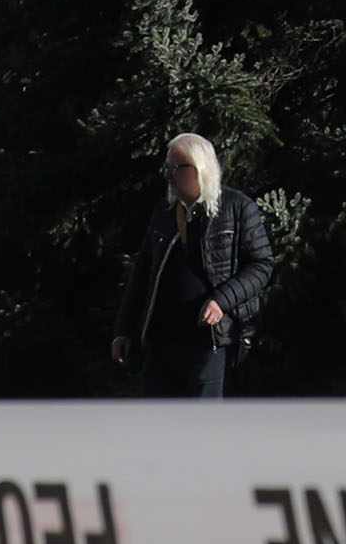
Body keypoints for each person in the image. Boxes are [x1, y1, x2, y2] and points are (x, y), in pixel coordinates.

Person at [110, 133, 270, 399]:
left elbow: (261, 265)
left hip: (209, 343)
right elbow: (141, 273)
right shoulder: (164, 212)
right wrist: (124, 330)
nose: (169, 175)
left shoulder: (237, 208)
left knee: (202, 430)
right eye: (167, 168)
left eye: (176, 167)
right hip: (162, 342)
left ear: (199, 168)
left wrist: (221, 301)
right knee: (157, 429)